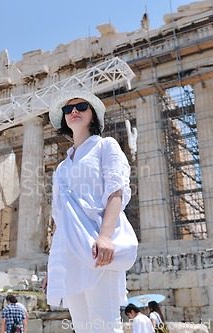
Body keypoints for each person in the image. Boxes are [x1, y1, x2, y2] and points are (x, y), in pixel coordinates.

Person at [42, 90, 138, 333]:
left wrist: (105, 236)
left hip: (97, 244)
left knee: (104, 325)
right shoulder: (62, 167)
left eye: (81, 106)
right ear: (64, 118)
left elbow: (115, 191)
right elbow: (59, 217)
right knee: (82, 327)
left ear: (93, 115)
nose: (74, 111)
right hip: (69, 250)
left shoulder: (106, 146)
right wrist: (53, 265)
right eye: (68, 109)